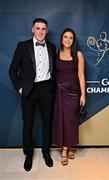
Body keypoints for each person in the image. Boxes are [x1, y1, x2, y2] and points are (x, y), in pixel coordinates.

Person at [9, 18, 56, 171]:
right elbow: (12, 70)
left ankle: (46, 152)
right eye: (38, 28)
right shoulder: (23, 46)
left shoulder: (52, 47)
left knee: (47, 124)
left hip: (46, 89)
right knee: (27, 124)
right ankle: (28, 154)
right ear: (32, 29)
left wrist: (52, 88)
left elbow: (54, 71)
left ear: (47, 30)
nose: (41, 31)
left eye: (43, 28)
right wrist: (20, 88)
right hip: (29, 90)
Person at [52, 28, 86, 166]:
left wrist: (83, 94)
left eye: (70, 38)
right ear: (61, 39)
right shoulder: (56, 54)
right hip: (59, 92)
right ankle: (68, 147)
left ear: (73, 40)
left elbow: (81, 75)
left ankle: (65, 150)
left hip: (73, 92)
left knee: (70, 121)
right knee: (61, 120)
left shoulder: (78, 55)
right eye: (65, 37)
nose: (67, 40)